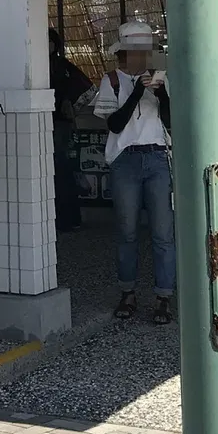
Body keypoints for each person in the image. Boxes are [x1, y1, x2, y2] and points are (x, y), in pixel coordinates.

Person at [91, 20, 175, 324]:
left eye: (146, 52)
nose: (142, 59)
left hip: (157, 157)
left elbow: (171, 121)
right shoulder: (111, 80)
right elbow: (114, 124)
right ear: (123, 53)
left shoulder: (161, 79)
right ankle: (128, 292)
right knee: (126, 231)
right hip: (125, 159)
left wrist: (163, 94)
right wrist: (138, 94)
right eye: (136, 52)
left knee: (163, 232)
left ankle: (164, 296)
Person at [50, 29, 91, 231]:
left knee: (62, 171)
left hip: (59, 126)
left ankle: (66, 217)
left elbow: (88, 89)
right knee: (60, 171)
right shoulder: (55, 66)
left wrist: (71, 108)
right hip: (56, 125)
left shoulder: (61, 66)